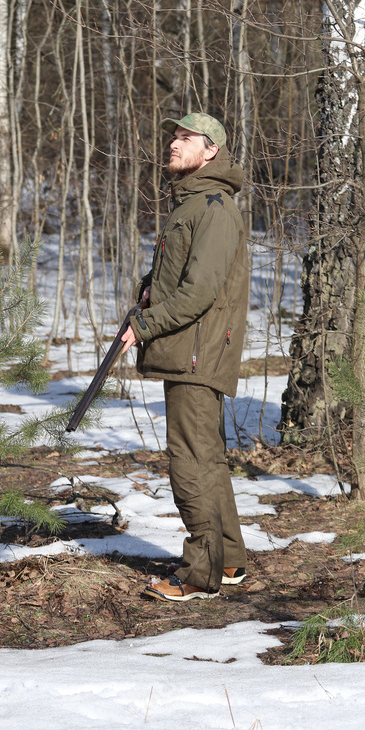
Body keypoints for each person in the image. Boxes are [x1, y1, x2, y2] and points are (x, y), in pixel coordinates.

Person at [121, 112, 249, 602]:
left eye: (185, 138)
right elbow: (179, 280)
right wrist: (150, 293)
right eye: (172, 136)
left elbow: (199, 294)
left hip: (197, 355)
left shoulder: (214, 208)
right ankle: (230, 561)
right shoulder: (192, 204)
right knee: (208, 460)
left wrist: (145, 324)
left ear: (210, 150)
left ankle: (199, 575)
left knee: (189, 463)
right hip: (190, 351)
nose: (173, 144)